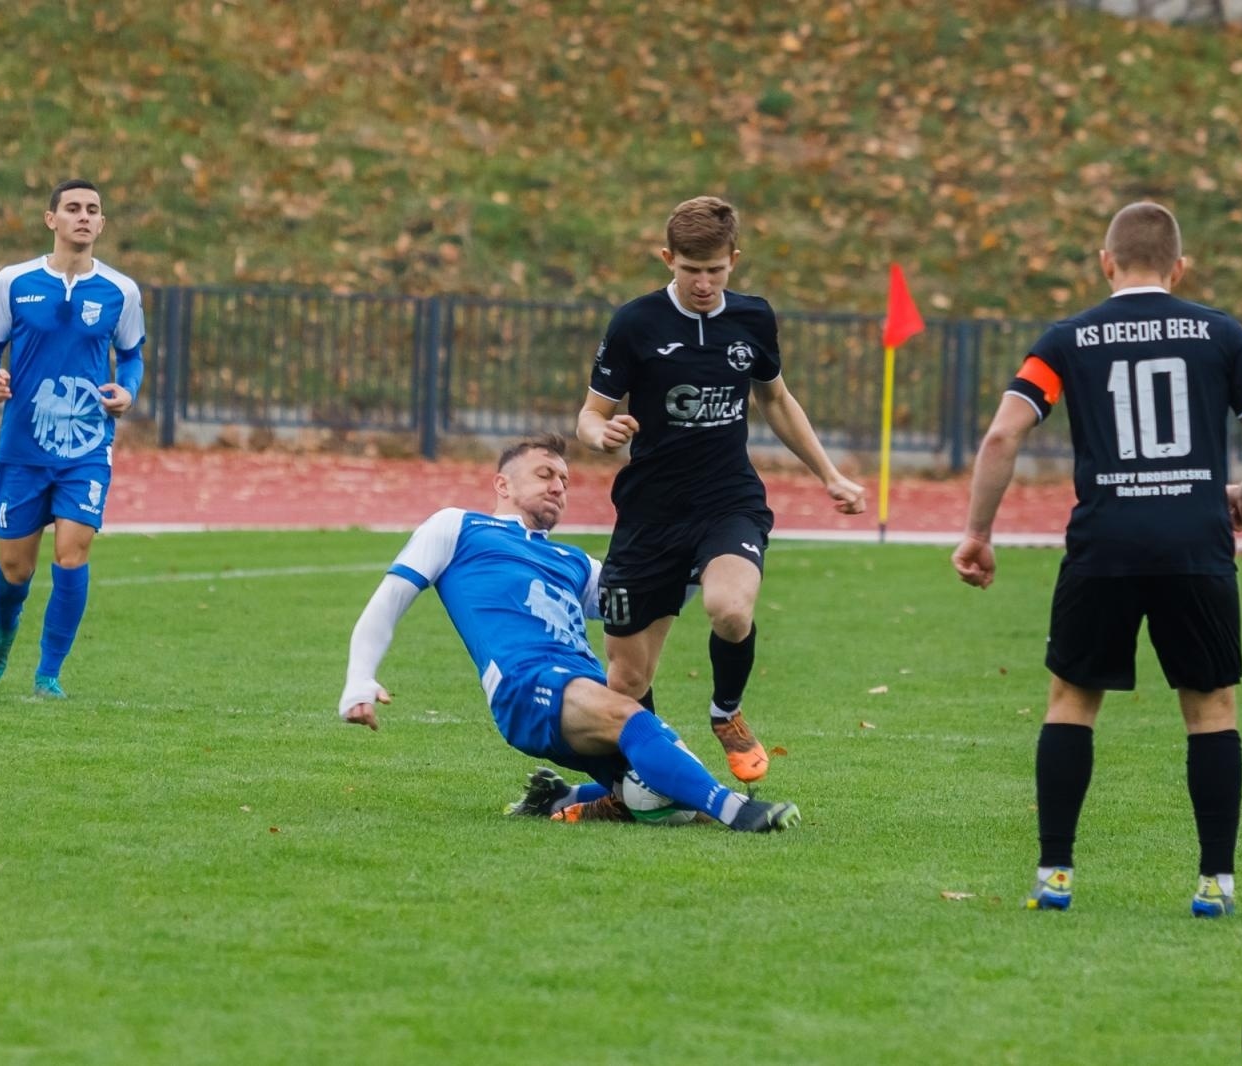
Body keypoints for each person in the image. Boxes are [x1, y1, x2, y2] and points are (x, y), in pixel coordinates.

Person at [951, 202, 1242, 917]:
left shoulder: (1068, 340)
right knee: (1211, 710)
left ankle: (1055, 874)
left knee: (1073, 702)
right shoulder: (1221, 335)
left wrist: (979, 532)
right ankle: (1215, 884)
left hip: (1103, 545)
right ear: (1180, 266)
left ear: (1106, 263)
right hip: (1196, 545)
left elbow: (1001, 438)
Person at [337, 434, 801, 832]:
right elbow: (389, 599)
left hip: (588, 689)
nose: (558, 486)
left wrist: (697, 559)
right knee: (638, 726)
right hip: (526, 683)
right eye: (544, 474)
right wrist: (360, 678)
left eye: (564, 480)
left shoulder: (574, 563)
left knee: (666, 797)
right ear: (503, 484)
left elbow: (646, 602)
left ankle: (559, 797)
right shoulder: (459, 527)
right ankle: (737, 811)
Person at [576, 195, 866, 783]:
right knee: (627, 681)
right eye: (690, 270)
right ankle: (648, 782)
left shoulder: (754, 319)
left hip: (726, 499)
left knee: (729, 609)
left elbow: (776, 400)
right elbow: (589, 414)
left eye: (715, 269)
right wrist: (601, 434)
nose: (704, 283)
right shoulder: (636, 323)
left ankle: (726, 713)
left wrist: (829, 474)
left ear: (734, 259)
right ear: (668, 259)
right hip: (650, 511)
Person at [0, 179, 146, 699]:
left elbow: (132, 355)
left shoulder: (121, 291)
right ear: (51, 219)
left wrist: (128, 392)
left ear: (102, 224)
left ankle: (49, 674)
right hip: (24, 445)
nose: (83, 217)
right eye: (72, 208)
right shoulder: (14, 281)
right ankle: (3, 629)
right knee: (13, 569)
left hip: (87, 444)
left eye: (93, 209)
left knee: (73, 551)